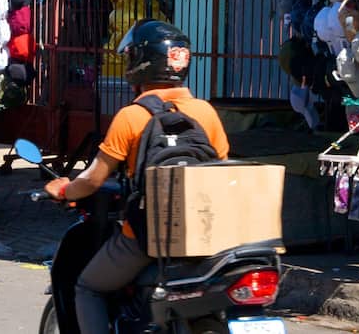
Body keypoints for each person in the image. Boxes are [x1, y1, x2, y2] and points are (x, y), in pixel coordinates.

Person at [43, 20, 229, 334]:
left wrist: (64, 190)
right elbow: (222, 171)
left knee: (87, 287)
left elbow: (92, 180)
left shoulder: (133, 115)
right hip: (202, 238)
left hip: (147, 240)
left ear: (141, 64)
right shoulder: (205, 112)